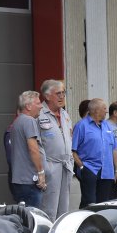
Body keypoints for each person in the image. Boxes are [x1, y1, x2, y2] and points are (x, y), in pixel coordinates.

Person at [36, 79, 76, 217]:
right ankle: (47, 231)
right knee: (49, 208)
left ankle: (60, 231)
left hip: (66, 166)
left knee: (64, 208)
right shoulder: (39, 114)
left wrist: (71, 161)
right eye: (58, 93)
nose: (62, 96)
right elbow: (36, 144)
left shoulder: (64, 114)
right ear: (47, 96)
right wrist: (43, 169)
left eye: (64, 93)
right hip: (50, 165)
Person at [6, 90, 46, 207]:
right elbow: (33, 149)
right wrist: (41, 173)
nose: (41, 106)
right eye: (38, 103)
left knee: (23, 214)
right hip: (30, 181)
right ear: (28, 106)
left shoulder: (17, 121)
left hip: (20, 180)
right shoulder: (29, 121)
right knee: (33, 216)